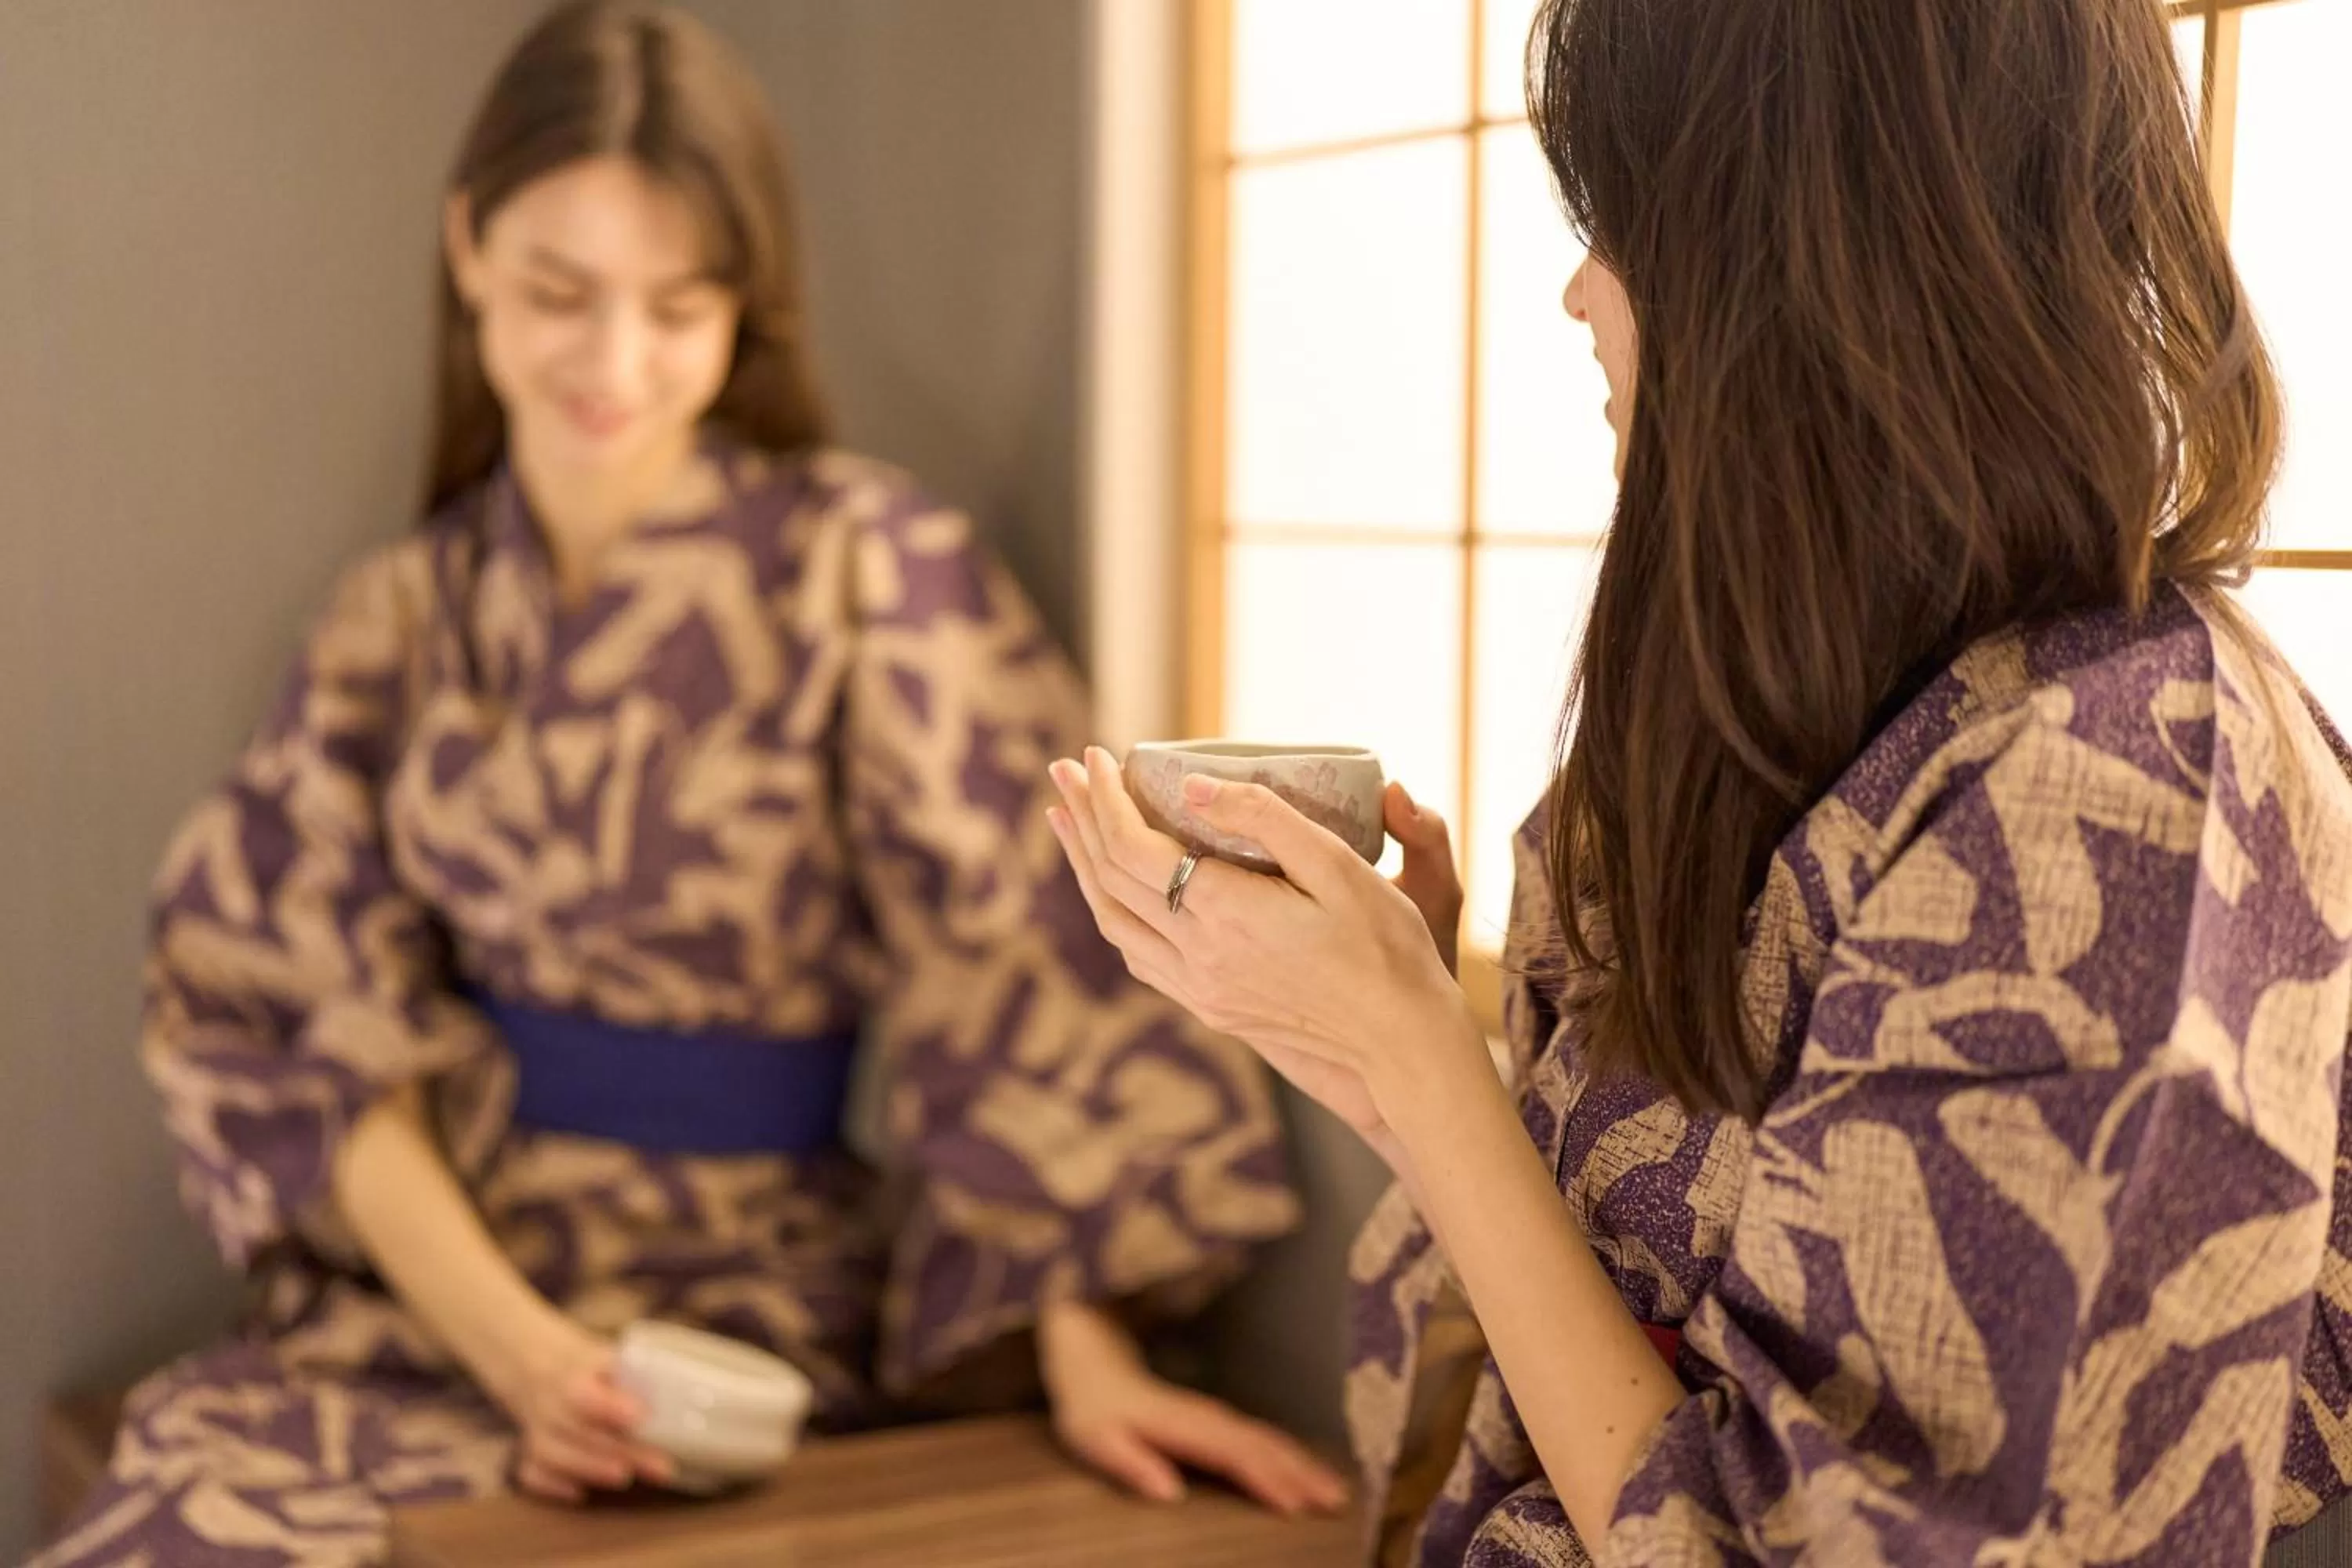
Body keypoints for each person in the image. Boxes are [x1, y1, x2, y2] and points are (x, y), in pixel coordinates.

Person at [35, 5, 1346, 1564]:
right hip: (445, 1312)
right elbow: (277, 1010)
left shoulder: (868, 569)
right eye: (559, 293)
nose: (616, 362)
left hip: (762, 1328)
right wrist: (524, 1358)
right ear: (467, 251)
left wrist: (1085, 1349)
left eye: (679, 305)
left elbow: (1027, 967)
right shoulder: (398, 616)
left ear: (747, 301)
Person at [1047, 0, 2352, 1562]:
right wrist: (1381, 1050)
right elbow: (1616, 1295)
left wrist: (1423, 1064)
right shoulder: (1800, 673)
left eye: (1627, 222)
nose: (1578, 289)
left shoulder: (2129, 775)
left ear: (1805, 265)